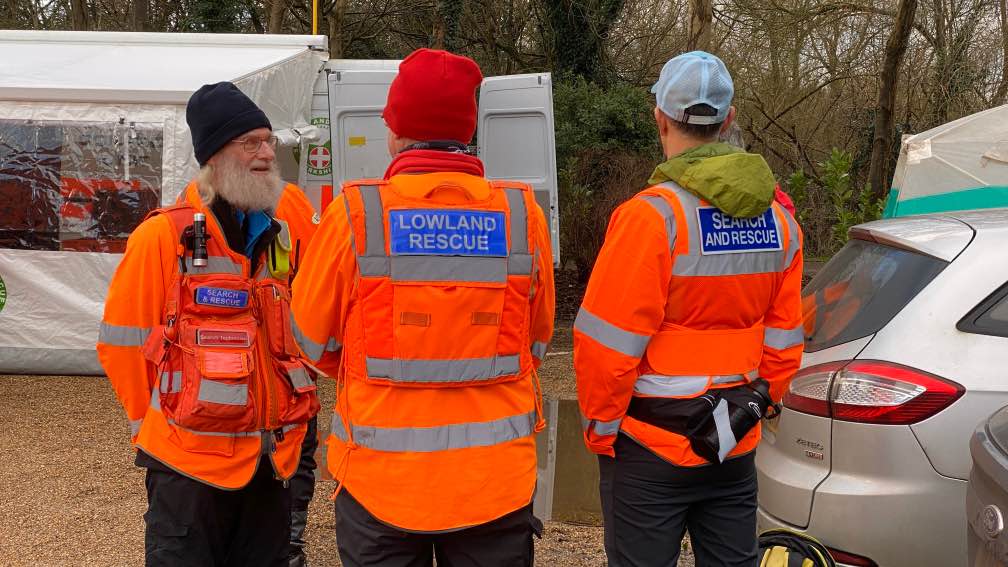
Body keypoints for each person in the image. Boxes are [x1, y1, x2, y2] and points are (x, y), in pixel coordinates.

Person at [290, 48, 555, 567]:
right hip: (494, 483)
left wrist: (369, 359)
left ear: (395, 131)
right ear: (468, 130)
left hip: (380, 481)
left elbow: (310, 339)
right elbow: (537, 339)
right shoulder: (522, 214)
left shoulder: (355, 213)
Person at [573, 51, 804, 567]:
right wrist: (755, 405)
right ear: (729, 119)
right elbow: (785, 340)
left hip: (648, 446)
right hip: (733, 440)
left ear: (660, 117)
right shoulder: (781, 222)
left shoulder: (650, 219)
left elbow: (607, 346)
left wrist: (602, 429)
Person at [97, 81, 321, 567]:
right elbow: (122, 343)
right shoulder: (163, 236)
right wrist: (159, 427)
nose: (268, 154)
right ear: (215, 156)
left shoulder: (279, 232)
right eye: (251, 143)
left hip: (269, 464)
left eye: (269, 141)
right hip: (188, 471)